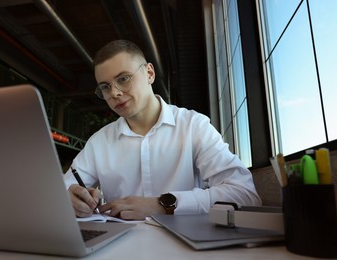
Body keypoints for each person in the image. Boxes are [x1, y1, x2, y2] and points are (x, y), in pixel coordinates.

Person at [63, 39, 261, 220]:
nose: (114, 93)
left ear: (149, 73)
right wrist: (69, 198)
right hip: (119, 248)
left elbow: (245, 195)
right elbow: (61, 190)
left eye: (123, 79)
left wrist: (162, 204)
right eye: (105, 87)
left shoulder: (193, 126)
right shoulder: (98, 143)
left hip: (187, 246)